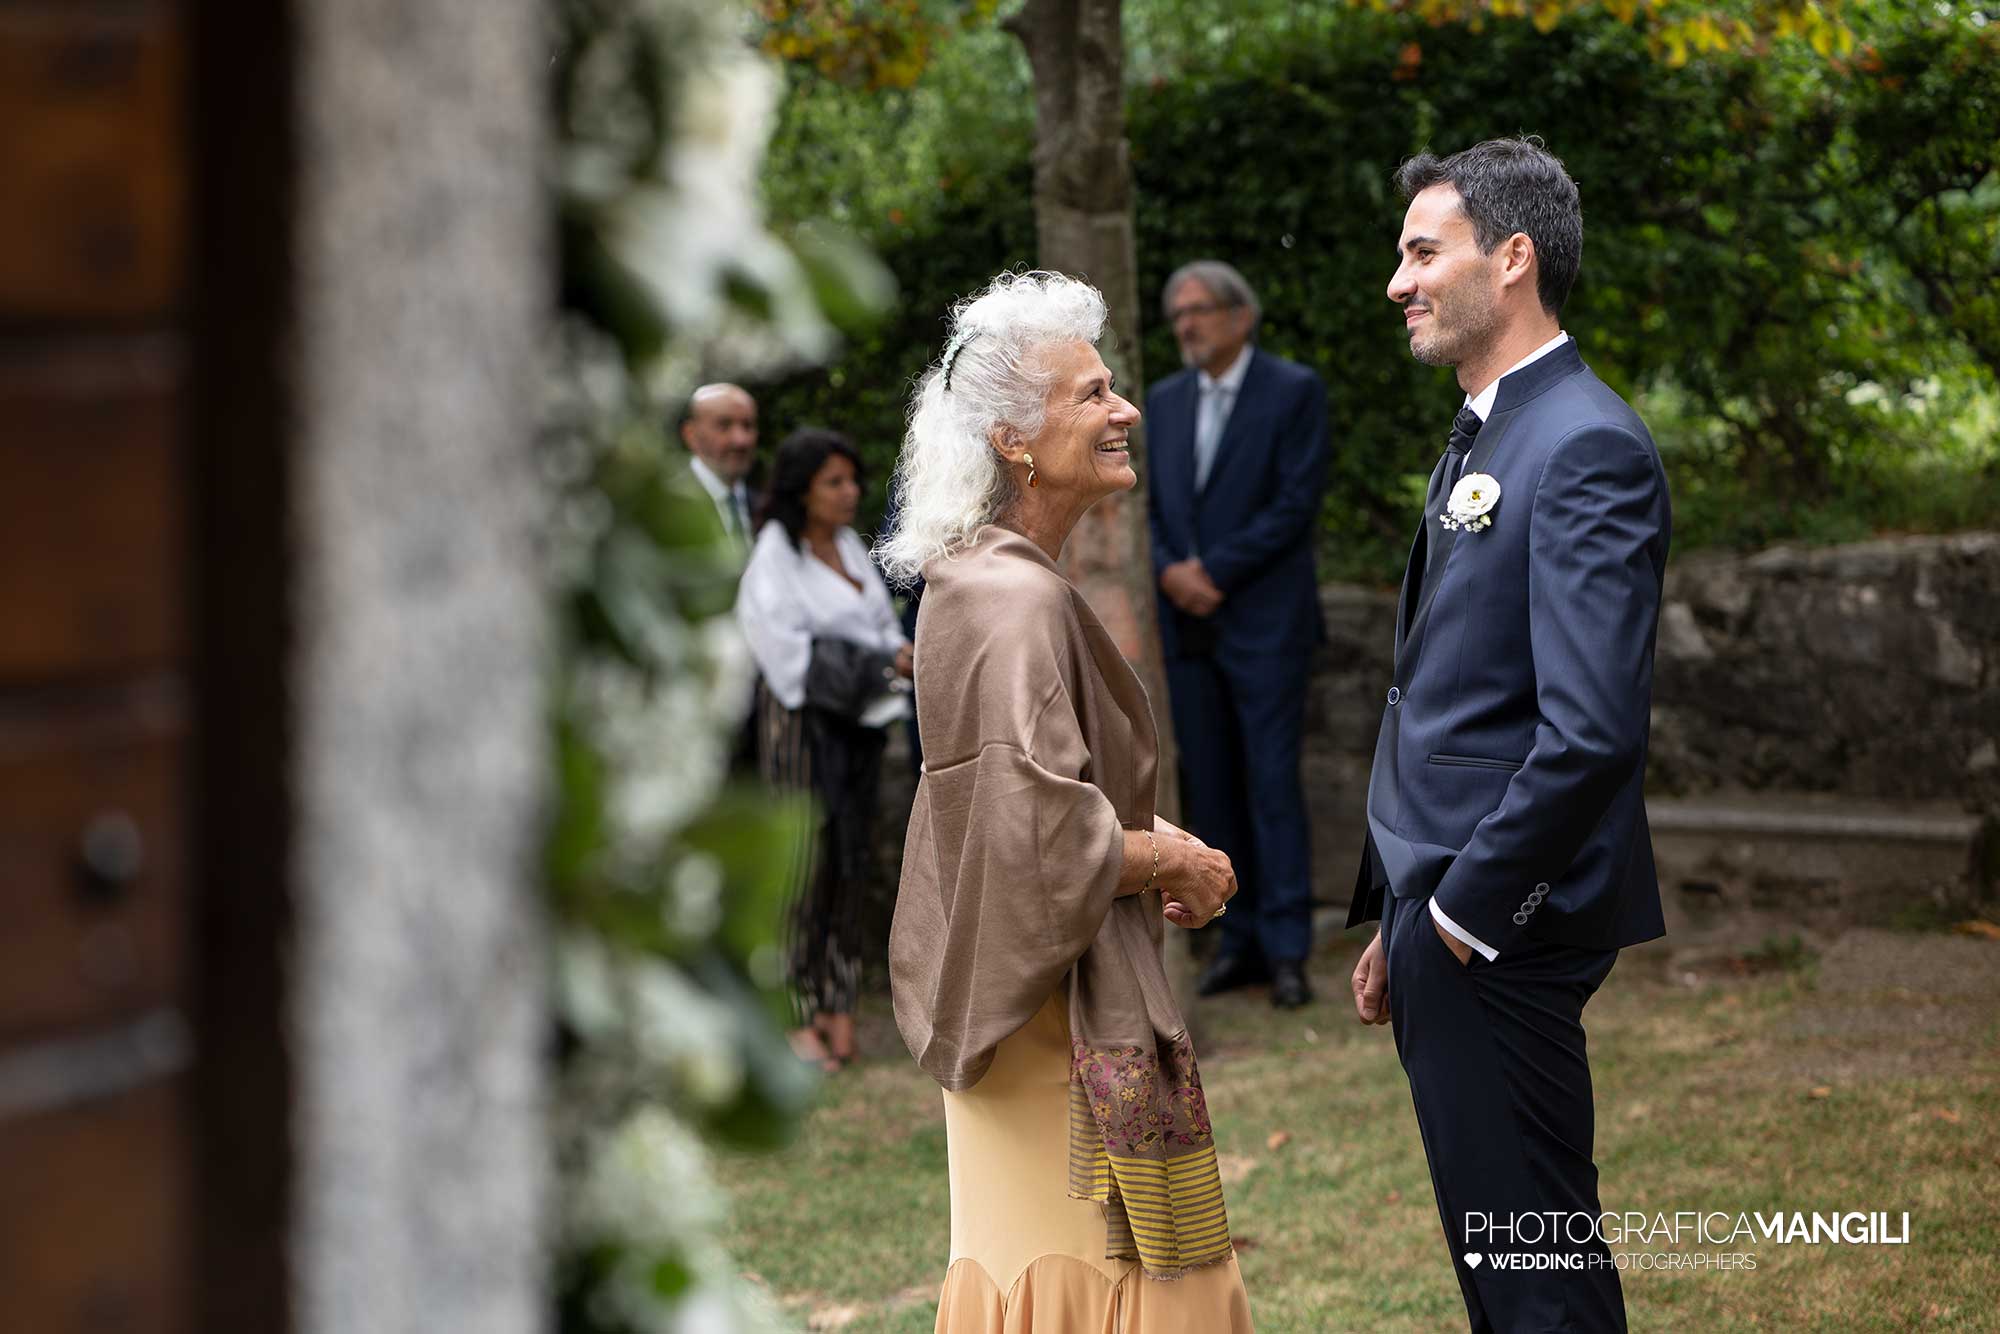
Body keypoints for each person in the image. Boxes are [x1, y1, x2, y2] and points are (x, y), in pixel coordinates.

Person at [881, 271, 1255, 1332]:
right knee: (1128, 1287)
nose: (1123, 408)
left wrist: (1142, 836)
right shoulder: (1011, 598)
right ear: (1010, 438)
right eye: (1090, 394)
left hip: (1022, 1005)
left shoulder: (974, 577)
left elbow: (1022, 800)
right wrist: (1170, 860)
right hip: (1049, 1021)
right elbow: (1034, 832)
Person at [1348, 137, 1670, 1333]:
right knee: (1510, 1259)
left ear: (1513, 258)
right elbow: (1452, 691)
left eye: (1422, 251)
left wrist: (1455, 912)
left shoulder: (1582, 443)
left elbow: (1586, 732)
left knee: (1533, 1272)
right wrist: (1400, 907)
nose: (1398, 280)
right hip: (1443, 911)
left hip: (1498, 923)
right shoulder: (1490, 430)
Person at [1146, 260, 1330, 1010]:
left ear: (1241, 316)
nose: (1187, 323)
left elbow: (1295, 504)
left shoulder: (1293, 391)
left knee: (1272, 786)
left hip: (1265, 623)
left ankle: (1288, 951)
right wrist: (1166, 572)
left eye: (1200, 309)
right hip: (1185, 629)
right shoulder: (1160, 401)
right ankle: (1236, 938)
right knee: (1211, 787)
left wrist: (1211, 570)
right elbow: (1144, 505)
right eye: (1177, 313)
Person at [737, 427, 912, 1072]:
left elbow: (881, 625)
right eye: (832, 482)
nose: (849, 493)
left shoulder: (848, 547)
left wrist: (886, 660)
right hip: (803, 731)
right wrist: (879, 662)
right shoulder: (774, 558)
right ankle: (791, 1015)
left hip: (861, 727)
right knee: (802, 868)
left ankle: (838, 1005)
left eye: (851, 480)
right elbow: (786, 658)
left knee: (849, 862)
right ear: (801, 490)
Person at [681, 382, 759, 549]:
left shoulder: (766, 509)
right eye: (724, 425)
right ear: (691, 434)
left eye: (747, 426)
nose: (740, 440)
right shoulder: (668, 505)